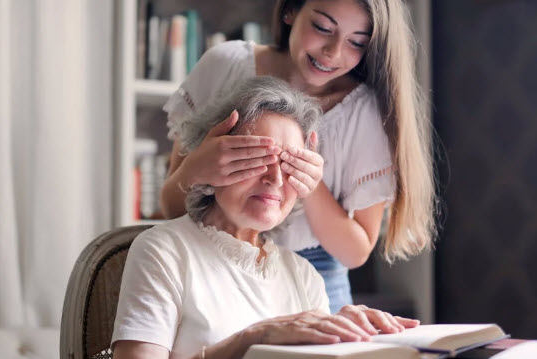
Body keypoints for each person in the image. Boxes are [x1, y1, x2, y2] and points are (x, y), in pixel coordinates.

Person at [160, 0, 436, 312]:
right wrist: (196, 170)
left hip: (317, 277)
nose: (333, 52)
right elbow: (170, 208)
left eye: (356, 42)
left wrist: (310, 185)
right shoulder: (225, 65)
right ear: (291, 10)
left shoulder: (364, 114)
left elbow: (355, 252)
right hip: (213, 263)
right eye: (322, 27)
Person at [112, 77, 419, 359]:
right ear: (215, 160)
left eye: (290, 165)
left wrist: (357, 339)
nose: (275, 178)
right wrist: (252, 339)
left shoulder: (304, 276)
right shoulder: (163, 252)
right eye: (257, 158)